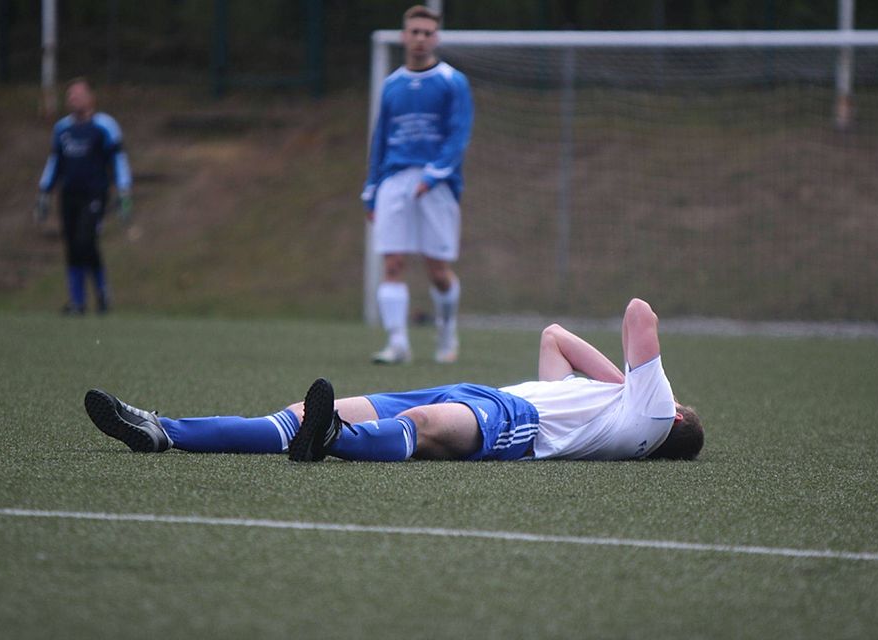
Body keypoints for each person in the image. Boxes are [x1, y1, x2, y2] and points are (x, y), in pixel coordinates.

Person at [84, 298, 704, 463]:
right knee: (300, 411)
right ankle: (164, 430)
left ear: (675, 413)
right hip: (495, 396)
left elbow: (638, 313)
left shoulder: (652, 415)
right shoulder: (624, 407)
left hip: (517, 427)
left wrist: (634, 385)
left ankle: (336, 442)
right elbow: (553, 338)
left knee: (424, 428)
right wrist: (620, 387)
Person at [361, 5, 474, 364]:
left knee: (437, 271)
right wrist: (371, 187)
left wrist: (434, 174)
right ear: (404, 36)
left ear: (435, 37)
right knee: (392, 264)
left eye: (427, 32)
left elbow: (458, 134)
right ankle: (398, 344)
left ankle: (446, 331)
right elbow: (381, 138)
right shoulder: (392, 85)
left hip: (437, 185)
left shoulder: (452, 81)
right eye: (415, 32)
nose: (421, 38)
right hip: (394, 181)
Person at [36, 77, 133, 315]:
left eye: (78, 94)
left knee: (85, 241)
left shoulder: (105, 126)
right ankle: (77, 302)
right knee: (72, 247)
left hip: (95, 194)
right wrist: (44, 192)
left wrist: (123, 191)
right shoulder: (62, 129)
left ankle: (102, 294)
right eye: (70, 95)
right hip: (69, 196)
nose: (73, 99)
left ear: (90, 98)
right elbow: (54, 162)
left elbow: (118, 160)